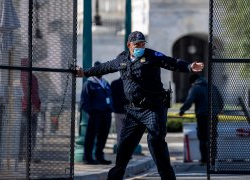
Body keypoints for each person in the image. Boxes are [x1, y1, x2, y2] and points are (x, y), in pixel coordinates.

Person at [76, 31, 204, 180]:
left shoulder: (151, 56)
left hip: (153, 108)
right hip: (134, 111)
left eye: (143, 44)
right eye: (137, 45)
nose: (140, 47)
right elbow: (105, 67)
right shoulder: (122, 59)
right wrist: (84, 73)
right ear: (129, 45)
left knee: (155, 141)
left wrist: (188, 66)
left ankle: (168, 178)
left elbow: (171, 62)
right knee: (124, 146)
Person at [179, 74, 223, 166]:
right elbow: (221, 101)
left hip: (202, 116)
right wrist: (217, 110)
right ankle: (213, 159)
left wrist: (182, 110)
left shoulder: (195, 88)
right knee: (213, 138)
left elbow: (189, 101)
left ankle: (204, 160)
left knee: (203, 138)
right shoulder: (212, 87)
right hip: (213, 116)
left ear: (192, 82)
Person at [80, 61, 113, 165]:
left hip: (107, 114)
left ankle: (99, 156)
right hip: (95, 114)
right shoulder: (89, 83)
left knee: (103, 136)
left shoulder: (106, 83)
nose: (100, 72)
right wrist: (91, 112)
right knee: (91, 136)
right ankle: (88, 157)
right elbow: (84, 101)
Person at [19, 58, 41, 162]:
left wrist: (37, 107)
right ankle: (21, 155)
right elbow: (26, 94)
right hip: (25, 109)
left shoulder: (33, 78)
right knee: (23, 133)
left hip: (32, 109)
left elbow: (35, 94)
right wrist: (33, 106)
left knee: (30, 134)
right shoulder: (22, 78)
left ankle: (29, 155)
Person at [110, 77, 129, 144]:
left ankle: (120, 147)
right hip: (128, 111)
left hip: (117, 111)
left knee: (119, 131)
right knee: (129, 132)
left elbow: (111, 97)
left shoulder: (114, 83)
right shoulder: (129, 83)